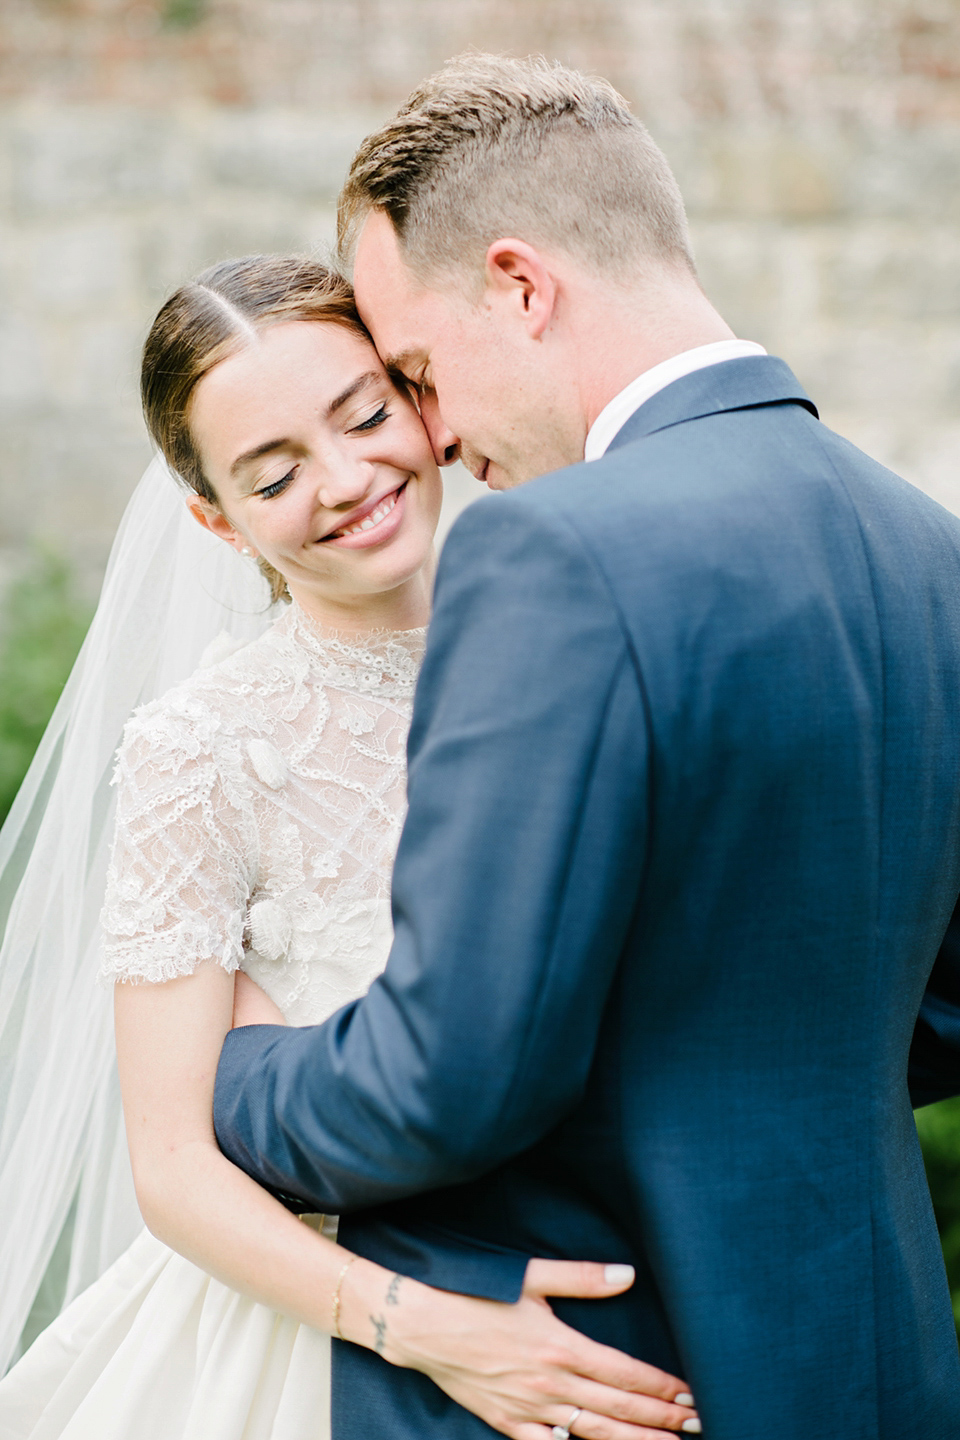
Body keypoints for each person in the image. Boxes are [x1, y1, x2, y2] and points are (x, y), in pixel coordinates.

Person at [213, 52, 960, 1440]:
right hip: (873, 1354)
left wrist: (238, 1068)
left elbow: (448, 1080)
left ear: (520, 282)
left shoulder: (554, 552)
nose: (433, 438)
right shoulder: (929, 545)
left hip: (593, 1366)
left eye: (421, 371)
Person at [0, 256, 699, 1439]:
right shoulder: (200, 751)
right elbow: (170, 1169)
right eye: (273, 476)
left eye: (366, 415)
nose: (345, 480)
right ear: (216, 521)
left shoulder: (588, 656)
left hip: (623, 1289)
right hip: (317, 1345)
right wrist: (429, 1326)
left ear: (427, 406)